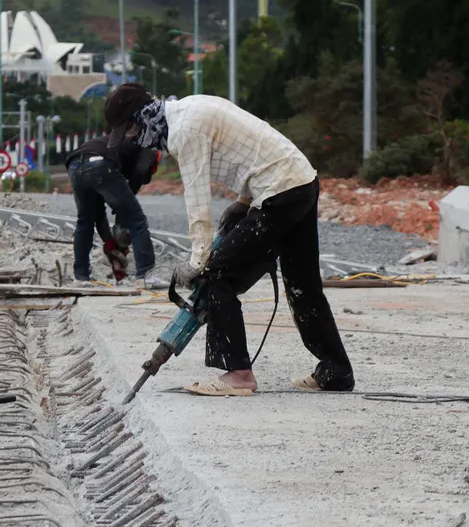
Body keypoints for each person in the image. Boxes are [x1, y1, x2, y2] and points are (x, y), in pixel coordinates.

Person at [104, 83, 354, 396]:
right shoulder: (190, 107)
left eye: (129, 130)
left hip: (279, 193)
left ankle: (239, 374)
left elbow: (197, 200)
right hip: (300, 182)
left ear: (141, 118)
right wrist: (243, 201)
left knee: (216, 274)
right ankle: (336, 371)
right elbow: (250, 151)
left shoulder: (184, 131)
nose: (132, 138)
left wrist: (198, 261)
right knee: (303, 285)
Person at [65, 133, 165, 289]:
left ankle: (81, 277)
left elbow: (99, 216)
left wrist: (111, 245)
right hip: (100, 164)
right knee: (137, 221)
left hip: (74, 165)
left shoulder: (120, 147)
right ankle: (145, 276)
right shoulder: (149, 145)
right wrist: (129, 198)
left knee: (85, 221)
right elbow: (141, 170)